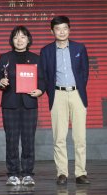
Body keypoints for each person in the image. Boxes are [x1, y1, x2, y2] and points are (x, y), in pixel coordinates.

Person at [39, 16, 90, 185]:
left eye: (65, 28)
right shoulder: (46, 51)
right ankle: (62, 173)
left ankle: (81, 173)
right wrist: (50, 92)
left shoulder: (79, 48)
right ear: (51, 31)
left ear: (69, 30)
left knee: (79, 137)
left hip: (77, 94)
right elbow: (44, 75)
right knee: (59, 137)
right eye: (58, 29)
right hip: (57, 94)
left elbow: (85, 72)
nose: (61, 32)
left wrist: (78, 89)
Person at [0, 26, 43, 186]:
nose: (19, 40)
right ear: (12, 40)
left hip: (29, 103)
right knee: (12, 140)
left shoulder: (36, 58)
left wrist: (40, 90)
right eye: (16, 37)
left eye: (23, 37)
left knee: (28, 139)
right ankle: (13, 173)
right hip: (10, 104)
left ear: (28, 39)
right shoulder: (5, 58)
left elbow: (43, 79)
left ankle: (28, 173)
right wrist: (1, 82)